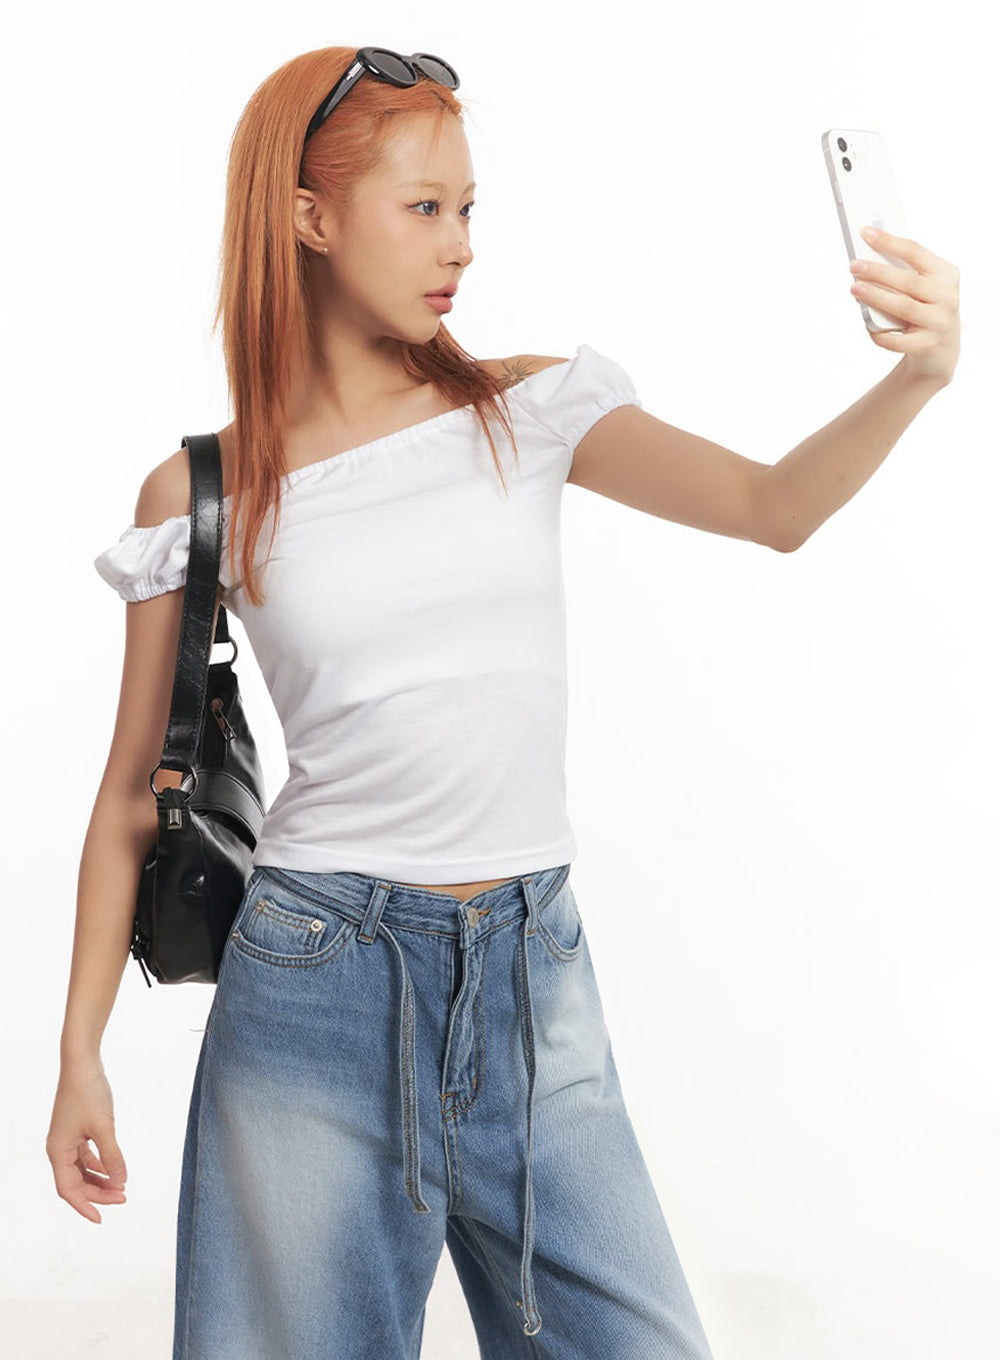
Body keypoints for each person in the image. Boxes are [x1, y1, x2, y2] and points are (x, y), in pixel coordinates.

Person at [47, 42, 959, 1360]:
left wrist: (916, 376)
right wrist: (80, 1052)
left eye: (469, 208)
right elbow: (138, 790)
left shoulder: (528, 411)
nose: (459, 245)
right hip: (316, 986)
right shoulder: (209, 491)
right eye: (424, 207)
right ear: (309, 218)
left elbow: (774, 508)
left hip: (536, 979)